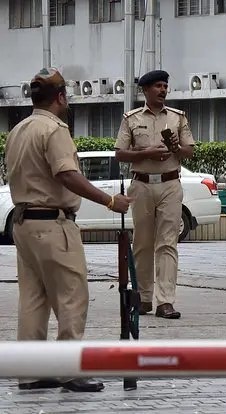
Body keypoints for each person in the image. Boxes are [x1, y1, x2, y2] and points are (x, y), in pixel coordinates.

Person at [5, 68, 132, 391]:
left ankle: (30, 372)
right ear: (61, 97)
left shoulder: (18, 130)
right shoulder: (55, 129)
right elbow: (66, 174)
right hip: (54, 224)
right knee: (71, 296)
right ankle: (70, 370)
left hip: (24, 223)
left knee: (33, 299)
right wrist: (109, 200)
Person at [115, 70, 195, 319]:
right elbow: (120, 153)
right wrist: (146, 153)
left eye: (165, 86)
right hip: (142, 185)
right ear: (145, 90)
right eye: (158, 86)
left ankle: (165, 301)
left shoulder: (177, 117)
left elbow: (189, 151)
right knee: (142, 243)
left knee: (168, 242)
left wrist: (176, 148)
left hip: (170, 184)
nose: (163, 90)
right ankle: (143, 298)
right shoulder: (131, 118)